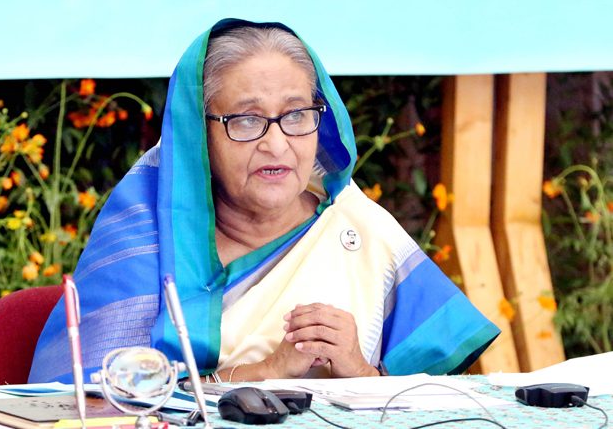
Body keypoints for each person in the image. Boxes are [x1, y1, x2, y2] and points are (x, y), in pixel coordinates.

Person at [28, 19, 499, 384]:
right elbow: (96, 403)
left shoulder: (358, 228)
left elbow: (426, 406)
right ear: (199, 135)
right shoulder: (144, 236)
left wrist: (359, 371)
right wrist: (264, 371)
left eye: (296, 115)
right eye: (247, 120)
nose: (276, 144)